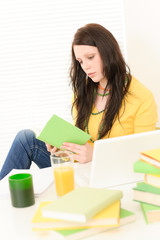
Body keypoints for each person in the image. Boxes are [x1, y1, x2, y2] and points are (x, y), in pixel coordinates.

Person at [0, 23, 157, 180]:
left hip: (110, 172)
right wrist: (62, 146)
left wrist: (95, 155)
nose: (85, 66)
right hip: (79, 167)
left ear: (108, 51)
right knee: (26, 138)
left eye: (90, 57)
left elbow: (142, 158)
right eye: (80, 61)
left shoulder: (141, 98)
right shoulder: (84, 92)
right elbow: (81, 140)